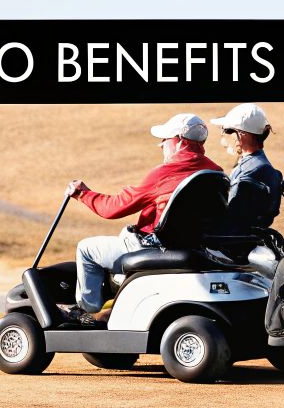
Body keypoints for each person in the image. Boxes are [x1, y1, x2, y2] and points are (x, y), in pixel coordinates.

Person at [62, 113, 222, 326]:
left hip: (152, 248)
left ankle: (87, 313)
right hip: (193, 248)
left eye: (164, 141)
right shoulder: (215, 172)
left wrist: (83, 194)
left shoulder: (164, 174)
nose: (160, 146)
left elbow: (113, 208)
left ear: (178, 142)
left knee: (86, 249)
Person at [211, 102, 283, 234]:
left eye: (227, 131)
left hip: (233, 240)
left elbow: (230, 216)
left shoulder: (251, 171)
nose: (225, 135)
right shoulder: (260, 164)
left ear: (242, 134)